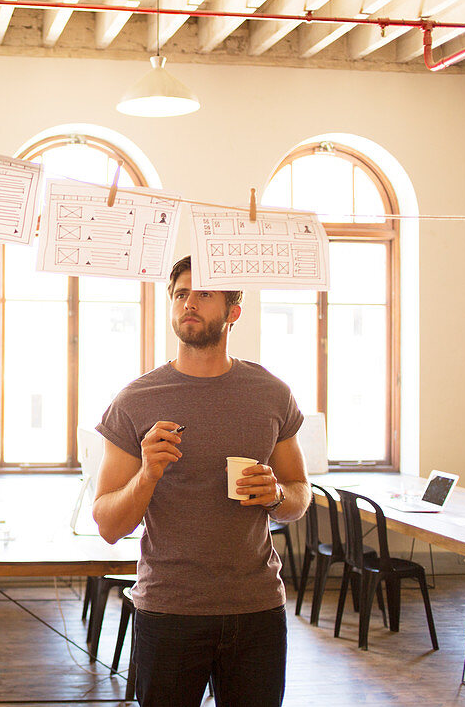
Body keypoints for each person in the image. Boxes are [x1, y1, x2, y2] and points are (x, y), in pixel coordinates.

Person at [92, 255, 310, 707]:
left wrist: (277, 495)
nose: (189, 303)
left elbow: (298, 494)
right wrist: (149, 473)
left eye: (204, 293)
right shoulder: (135, 400)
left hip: (257, 608)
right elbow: (109, 525)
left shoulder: (272, 394)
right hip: (170, 609)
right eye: (180, 294)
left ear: (233, 311)